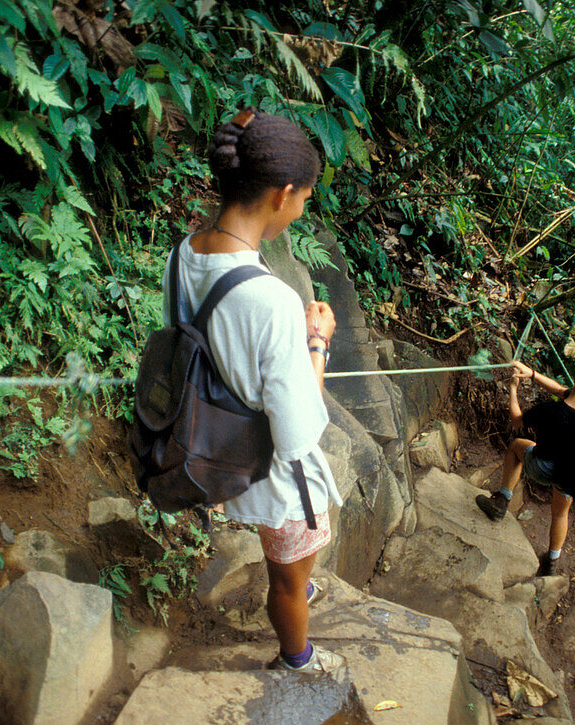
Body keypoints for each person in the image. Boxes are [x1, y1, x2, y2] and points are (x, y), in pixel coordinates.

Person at [163, 107, 344, 673]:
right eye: (305, 198)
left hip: (212, 437)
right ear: (282, 195)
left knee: (289, 562)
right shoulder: (272, 302)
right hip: (272, 469)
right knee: (286, 577)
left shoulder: (185, 253)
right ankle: (298, 657)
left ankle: (297, 593)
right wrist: (316, 342)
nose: (303, 207)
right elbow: (298, 428)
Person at [475, 359, 575, 576]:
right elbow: (560, 390)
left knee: (516, 447)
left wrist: (513, 390)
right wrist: (531, 373)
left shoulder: (551, 410)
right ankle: (551, 562)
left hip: (544, 467)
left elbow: (517, 421)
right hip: (572, 472)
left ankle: (501, 501)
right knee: (560, 513)